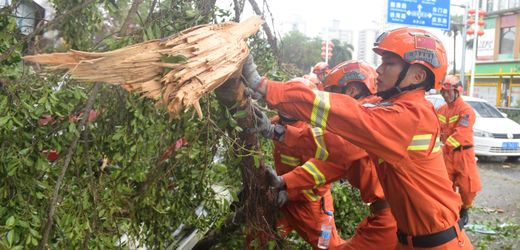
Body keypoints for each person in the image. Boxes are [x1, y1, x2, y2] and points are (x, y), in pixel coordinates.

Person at [241, 27, 473, 249]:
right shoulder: (392, 111)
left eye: (389, 63)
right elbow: (339, 144)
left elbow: (350, 120)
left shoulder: (410, 116)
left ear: (417, 75)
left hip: (436, 242)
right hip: (410, 238)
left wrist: (267, 88)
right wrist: (279, 134)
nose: (379, 70)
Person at [265, 60, 398, 249]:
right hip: (287, 196)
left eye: (332, 94)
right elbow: (331, 164)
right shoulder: (362, 122)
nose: (329, 104)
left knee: (327, 247)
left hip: (312, 204)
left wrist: (279, 135)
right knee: (259, 236)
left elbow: (324, 162)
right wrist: (284, 182)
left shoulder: (363, 124)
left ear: (351, 91)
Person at [437, 75, 481, 226]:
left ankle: (464, 209)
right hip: (446, 154)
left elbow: (461, 133)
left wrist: (444, 147)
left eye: (448, 92)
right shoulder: (441, 110)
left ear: (457, 91)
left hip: (463, 154)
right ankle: (450, 212)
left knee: (467, 186)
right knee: (444, 185)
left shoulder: (466, 110)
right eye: (443, 92)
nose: (445, 94)